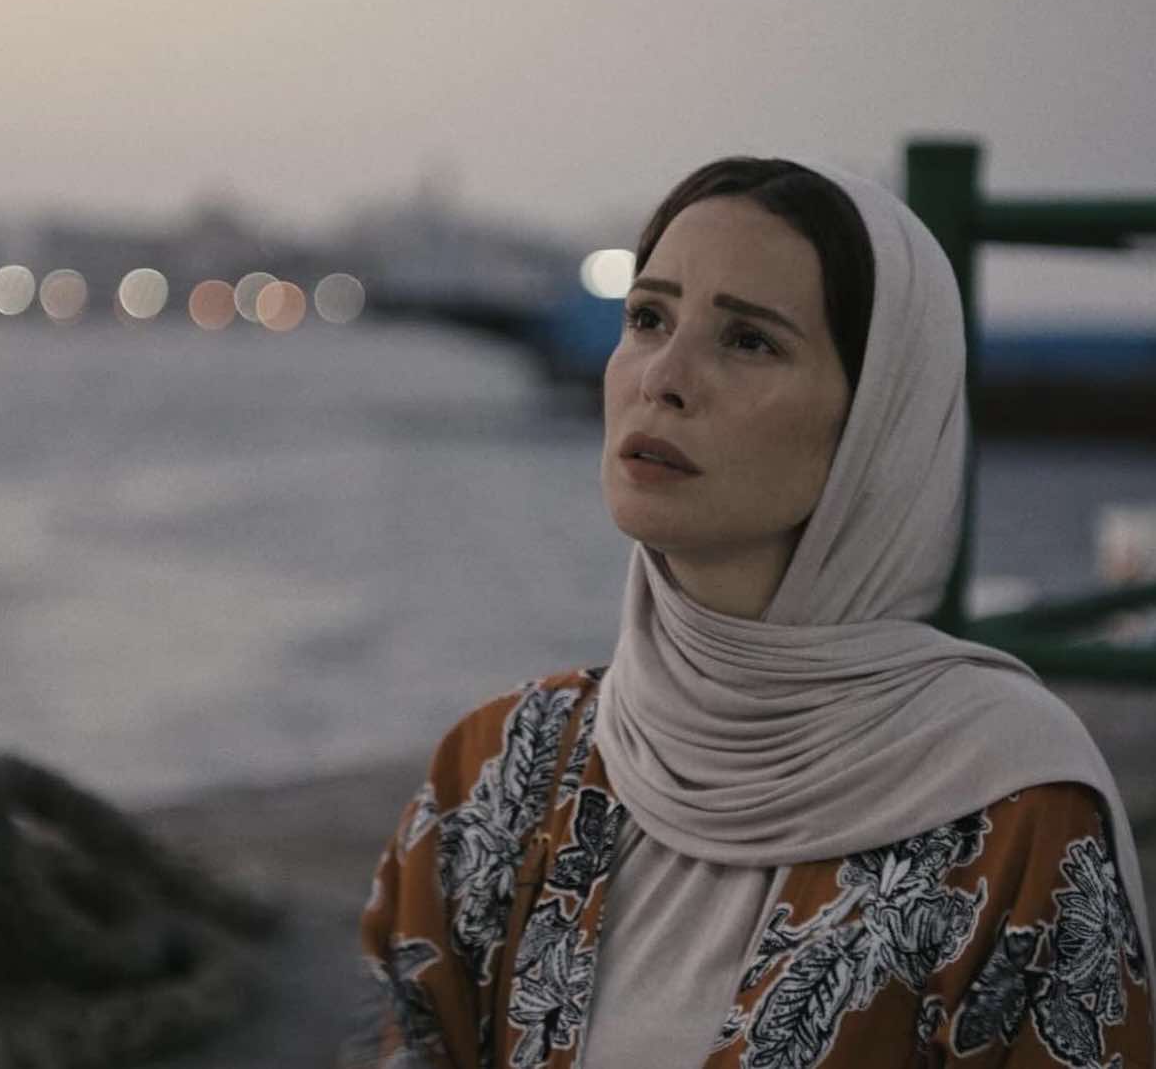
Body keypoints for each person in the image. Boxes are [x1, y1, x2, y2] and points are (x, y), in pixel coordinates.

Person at [342, 156, 1155, 1068]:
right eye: (648, 318)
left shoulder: (1014, 811)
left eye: (750, 341)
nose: (663, 378)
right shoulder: (499, 772)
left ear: (879, 421)